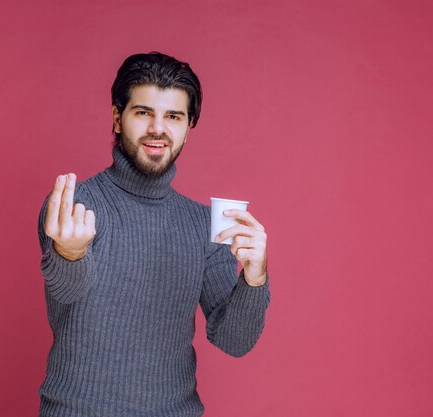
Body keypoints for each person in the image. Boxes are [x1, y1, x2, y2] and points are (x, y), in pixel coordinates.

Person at [37, 52, 270, 417]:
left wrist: (254, 279)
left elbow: (234, 340)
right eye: (143, 112)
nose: (157, 128)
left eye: (173, 116)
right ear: (117, 118)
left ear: (189, 126)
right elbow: (66, 293)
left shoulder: (201, 224)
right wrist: (69, 254)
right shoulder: (74, 206)